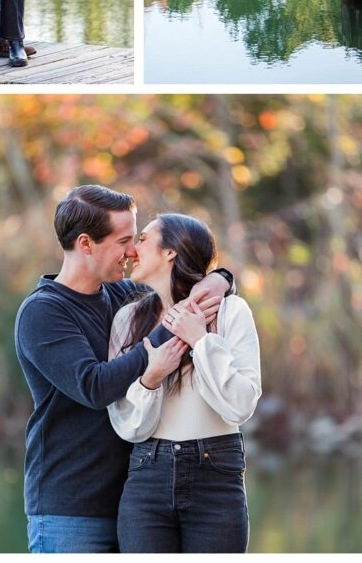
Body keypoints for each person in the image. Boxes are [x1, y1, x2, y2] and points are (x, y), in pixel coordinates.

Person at [14, 185, 235, 553]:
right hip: (71, 512)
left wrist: (221, 278)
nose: (133, 251)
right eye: (124, 241)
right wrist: (163, 341)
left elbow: (178, 282)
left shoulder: (121, 296)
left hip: (133, 506)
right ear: (86, 244)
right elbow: (94, 386)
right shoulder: (43, 312)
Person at [109, 213, 261, 553]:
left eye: (144, 239)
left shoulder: (231, 312)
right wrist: (151, 378)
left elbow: (241, 405)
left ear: (170, 253)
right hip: (147, 475)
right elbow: (124, 423)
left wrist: (201, 340)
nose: (133, 249)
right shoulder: (127, 319)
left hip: (216, 477)